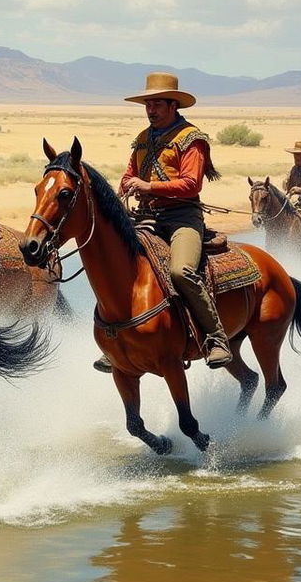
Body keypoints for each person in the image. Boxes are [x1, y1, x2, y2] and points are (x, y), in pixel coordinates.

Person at [94, 71, 231, 373]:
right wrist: (127, 185)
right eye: (148, 105)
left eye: (157, 104)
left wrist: (148, 186)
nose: (151, 110)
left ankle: (215, 337)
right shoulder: (143, 139)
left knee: (181, 272)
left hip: (182, 217)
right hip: (146, 216)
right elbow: (129, 174)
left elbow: (191, 185)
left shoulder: (190, 139)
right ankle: (118, 340)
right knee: (118, 264)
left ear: (173, 105)